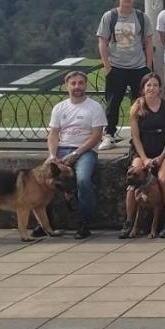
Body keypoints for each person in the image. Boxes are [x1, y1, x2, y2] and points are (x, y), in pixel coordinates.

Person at [43, 70, 106, 239]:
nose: (77, 86)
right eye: (73, 83)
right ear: (67, 86)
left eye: (80, 83)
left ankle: (84, 223)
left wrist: (77, 153)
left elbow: (96, 136)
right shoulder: (59, 108)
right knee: (44, 180)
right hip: (62, 148)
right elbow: (54, 134)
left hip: (85, 150)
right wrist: (52, 155)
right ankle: (46, 223)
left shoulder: (94, 107)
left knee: (83, 180)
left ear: (86, 85)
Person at [96, 0, 154, 150]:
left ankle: (140, 135)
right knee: (113, 103)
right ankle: (109, 135)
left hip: (138, 67)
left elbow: (149, 42)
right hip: (116, 67)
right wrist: (107, 67)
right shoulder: (110, 16)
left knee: (140, 103)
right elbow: (102, 41)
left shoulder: (142, 17)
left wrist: (148, 67)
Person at [123, 72, 165, 238]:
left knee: (164, 179)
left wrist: (161, 157)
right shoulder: (136, 108)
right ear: (142, 89)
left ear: (160, 88)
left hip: (164, 150)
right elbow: (136, 138)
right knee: (134, 178)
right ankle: (129, 221)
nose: (152, 88)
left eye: (155, 85)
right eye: (148, 85)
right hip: (142, 151)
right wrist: (145, 158)